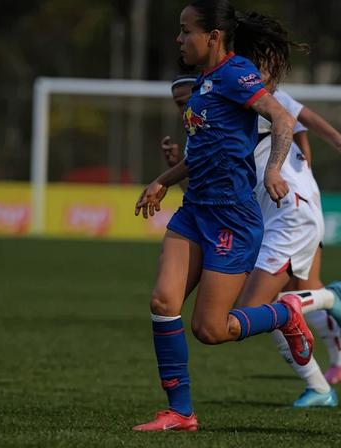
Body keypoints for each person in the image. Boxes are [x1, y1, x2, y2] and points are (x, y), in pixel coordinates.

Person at [159, 25, 341, 409]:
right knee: (275, 302)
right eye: (178, 104)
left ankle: (327, 303)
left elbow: (297, 117)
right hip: (269, 217)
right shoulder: (206, 127)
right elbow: (206, 187)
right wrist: (173, 172)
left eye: (186, 98)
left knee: (253, 310)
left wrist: (339, 145)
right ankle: (324, 380)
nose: (184, 107)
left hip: (290, 214)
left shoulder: (245, 92)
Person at [132, 1, 311, 432]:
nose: (179, 39)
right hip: (194, 211)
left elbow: (283, 119)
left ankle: (285, 313)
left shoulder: (235, 73)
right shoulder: (203, 82)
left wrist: (272, 169)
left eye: (186, 30)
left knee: (210, 329)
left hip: (232, 218)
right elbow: (201, 152)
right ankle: (181, 413)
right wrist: (163, 181)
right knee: (162, 302)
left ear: (213, 36)